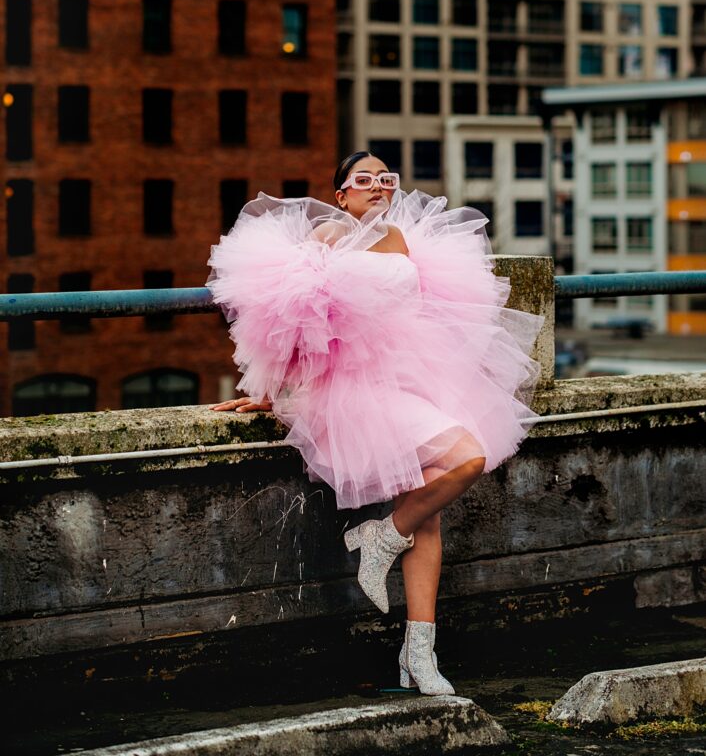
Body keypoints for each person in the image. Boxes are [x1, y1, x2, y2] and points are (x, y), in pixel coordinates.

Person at [207, 151, 543, 696]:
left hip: (411, 382)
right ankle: (383, 539)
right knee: (469, 457)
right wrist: (269, 394)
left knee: (428, 513)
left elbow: (428, 317)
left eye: (385, 179)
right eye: (363, 180)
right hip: (354, 392)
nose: (377, 186)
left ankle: (418, 651)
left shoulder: (399, 241)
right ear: (341, 193)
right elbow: (293, 318)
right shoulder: (328, 239)